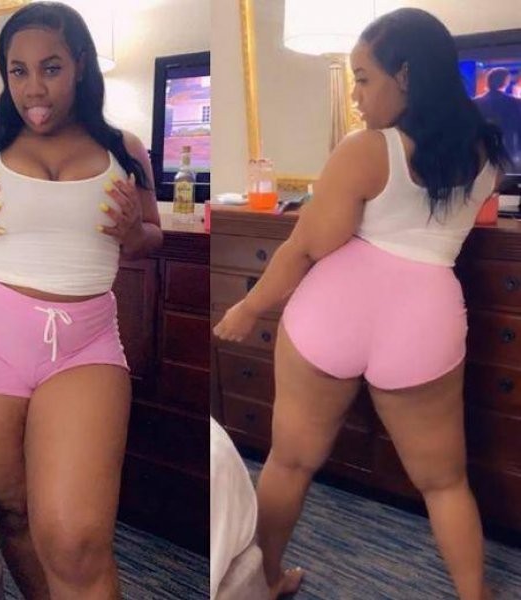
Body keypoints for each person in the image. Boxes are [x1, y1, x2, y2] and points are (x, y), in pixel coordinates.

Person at [214, 7, 508, 600]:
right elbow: (465, 218)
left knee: (289, 463)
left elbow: (305, 247)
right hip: (424, 320)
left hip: (335, 314)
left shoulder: (368, 150)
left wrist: (248, 309)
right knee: (445, 483)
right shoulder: (487, 152)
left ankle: (265, 582)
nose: (355, 96)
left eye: (364, 78)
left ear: (405, 75)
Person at [0, 2, 162, 598]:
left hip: (84, 346)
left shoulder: (125, 150)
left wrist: (134, 233)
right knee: (12, 511)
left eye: (51, 68)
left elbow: (151, 236)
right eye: (19, 71)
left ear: (80, 66)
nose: (33, 88)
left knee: (78, 537)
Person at [473, 67, 521, 164]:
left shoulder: (475, 102)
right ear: (506, 81)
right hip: (508, 150)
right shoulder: (514, 102)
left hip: (482, 150)